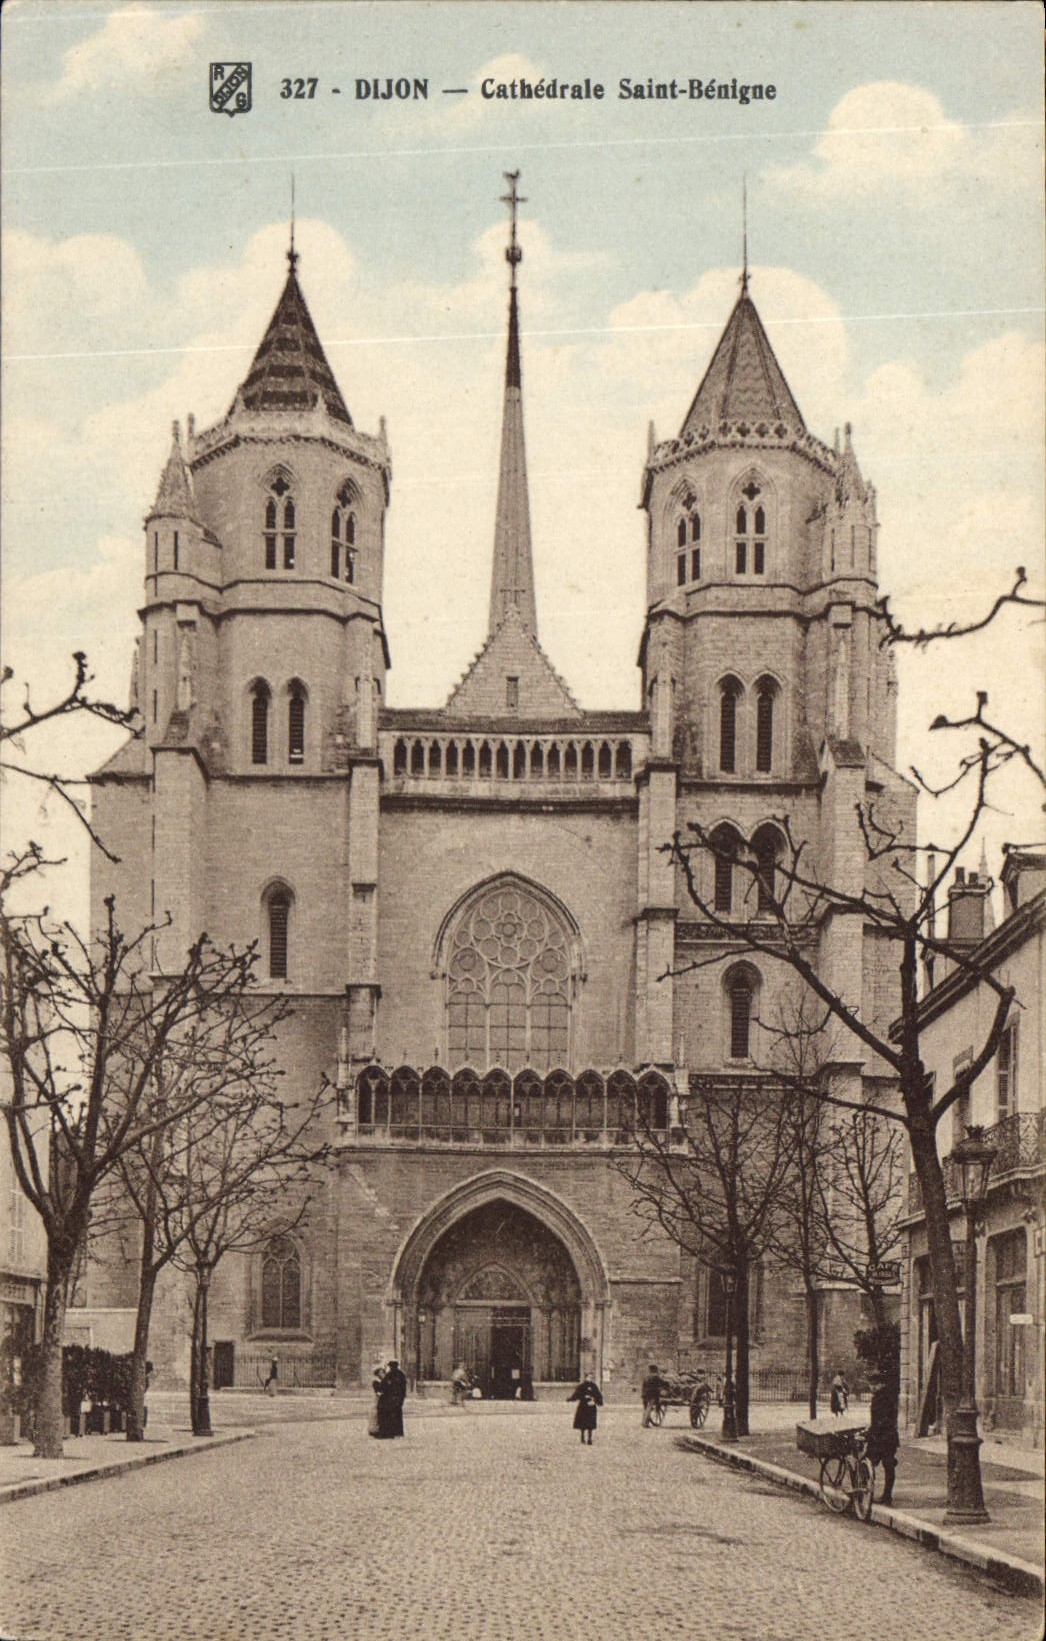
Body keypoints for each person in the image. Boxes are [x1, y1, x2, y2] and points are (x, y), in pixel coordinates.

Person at [866, 1369, 899, 1506]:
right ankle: (885, 1495)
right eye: (871, 1384)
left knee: (877, 1463)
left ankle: (884, 1495)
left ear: (882, 1384)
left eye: (876, 1384)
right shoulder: (884, 1396)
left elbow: (882, 1421)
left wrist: (870, 1432)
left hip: (883, 1438)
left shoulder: (882, 1398)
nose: (873, 1387)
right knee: (886, 1465)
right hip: (886, 1437)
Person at [568, 1370, 603, 1445]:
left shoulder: (594, 1386)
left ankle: (589, 1439)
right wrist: (571, 1399)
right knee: (583, 1423)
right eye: (589, 1377)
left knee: (590, 1424)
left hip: (591, 1407)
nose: (591, 1379)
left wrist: (596, 1401)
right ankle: (582, 1438)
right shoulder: (582, 1386)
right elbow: (577, 1394)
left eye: (592, 1377)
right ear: (586, 1377)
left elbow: (598, 1395)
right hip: (583, 1407)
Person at [375, 1358, 407, 1439]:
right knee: (396, 1415)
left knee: (390, 1415)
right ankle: (397, 1432)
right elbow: (403, 1388)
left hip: (390, 1398)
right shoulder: (401, 1374)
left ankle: (390, 1433)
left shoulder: (390, 1375)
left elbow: (384, 1386)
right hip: (397, 1398)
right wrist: (402, 1398)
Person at [641, 1364, 662, 1428]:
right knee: (649, 1408)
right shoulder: (655, 1377)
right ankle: (645, 1423)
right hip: (652, 1395)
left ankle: (643, 1422)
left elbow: (643, 1386)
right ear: (655, 1370)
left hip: (644, 1394)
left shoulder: (646, 1377)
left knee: (646, 1408)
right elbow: (662, 1383)